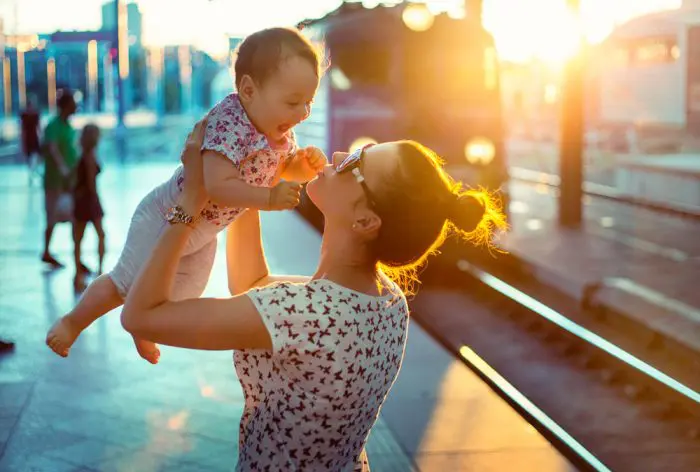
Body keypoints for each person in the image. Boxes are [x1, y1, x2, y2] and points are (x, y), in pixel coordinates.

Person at [118, 121, 506, 471]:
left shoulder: (300, 313)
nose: (338, 155)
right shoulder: (386, 301)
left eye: (356, 162)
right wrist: (251, 181)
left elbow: (140, 317)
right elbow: (253, 282)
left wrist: (190, 203)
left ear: (366, 221)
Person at [46, 27, 327, 364]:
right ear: (249, 90)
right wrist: (268, 199)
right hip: (168, 214)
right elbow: (216, 184)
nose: (302, 113)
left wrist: (302, 166)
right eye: (293, 102)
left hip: (203, 231)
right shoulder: (230, 123)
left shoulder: (277, 128)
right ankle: (72, 322)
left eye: (309, 102)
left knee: (180, 299)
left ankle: (145, 322)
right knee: (124, 282)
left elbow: (280, 168)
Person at [41, 90, 78, 269]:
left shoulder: (68, 126)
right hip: (55, 181)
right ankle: (46, 251)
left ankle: (76, 256)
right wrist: (63, 168)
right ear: (65, 106)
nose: (75, 107)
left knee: (75, 217)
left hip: (69, 182)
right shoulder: (53, 125)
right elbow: (53, 149)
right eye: (72, 104)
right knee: (52, 217)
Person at [72, 124, 106, 292]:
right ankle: (99, 271)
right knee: (100, 235)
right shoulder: (90, 157)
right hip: (90, 201)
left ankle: (78, 274)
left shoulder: (83, 155)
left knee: (78, 239)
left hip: (80, 201)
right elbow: (91, 183)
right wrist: (97, 200)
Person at [20, 97, 41, 183]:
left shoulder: (36, 114)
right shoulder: (24, 115)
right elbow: (22, 128)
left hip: (33, 136)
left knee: (36, 155)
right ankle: (31, 172)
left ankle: (33, 170)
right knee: (29, 156)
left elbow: (39, 127)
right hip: (28, 137)